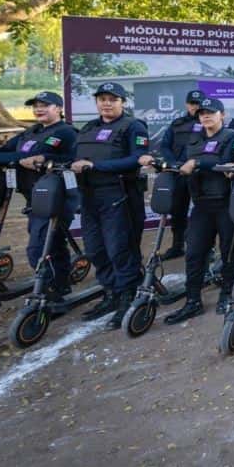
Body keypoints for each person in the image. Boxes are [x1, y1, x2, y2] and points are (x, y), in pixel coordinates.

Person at [0, 91, 78, 297]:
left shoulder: (66, 132)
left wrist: (41, 158)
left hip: (57, 198)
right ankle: (60, 284)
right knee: (54, 243)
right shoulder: (30, 132)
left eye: (45, 105)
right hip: (35, 198)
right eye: (36, 106)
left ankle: (50, 292)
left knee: (38, 249)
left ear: (59, 109)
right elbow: (8, 149)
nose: (39, 109)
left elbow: (40, 156)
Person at [71, 82, 150, 329]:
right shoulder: (89, 127)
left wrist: (96, 166)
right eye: (102, 99)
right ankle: (111, 292)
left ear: (122, 102)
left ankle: (128, 295)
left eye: (112, 99)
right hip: (89, 196)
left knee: (120, 248)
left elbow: (136, 159)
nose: (106, 103)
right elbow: (74, 156)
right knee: (95, 249)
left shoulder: (133, 126)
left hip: (119, 194)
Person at [163, 97, 234, 324]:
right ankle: (193, 301)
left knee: (229, 252)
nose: (205, 116)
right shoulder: (194, 139)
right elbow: (182, 161)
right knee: (194, 253)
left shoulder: (233, 137)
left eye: (211, 112)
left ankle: (227, 294)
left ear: (222, 115)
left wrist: (199, 164)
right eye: (202, 113)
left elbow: (233, 163)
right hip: (201, 205)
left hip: (226, 203)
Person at [156, 89, 204, 259]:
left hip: (200, 174)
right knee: (177, 212)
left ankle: (208, 249)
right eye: (192, 103)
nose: (195, 107)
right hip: (178, 174)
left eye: (198, 104)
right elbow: (165, 146)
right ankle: (177, 246)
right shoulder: (177, 124)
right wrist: (173, 163)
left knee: (203, 213)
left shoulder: (209, 121)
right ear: (187, 104)